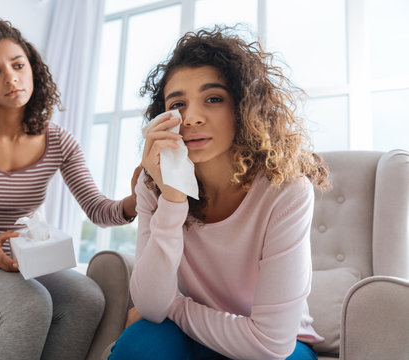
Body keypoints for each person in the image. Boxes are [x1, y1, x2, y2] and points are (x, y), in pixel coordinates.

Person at [0, 19, 139, 360]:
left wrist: (136, 201)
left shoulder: (60, 142)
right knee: (32, 302)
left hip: (17, 259)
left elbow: (97, 209)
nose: (11, 78)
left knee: (87, 297)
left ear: (32, 68)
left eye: (18, 65)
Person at [109, 26, 330, 360]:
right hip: (190, 334)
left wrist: (177, 307)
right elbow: (152, 307)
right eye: (178, 104)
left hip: (269, 345)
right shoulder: (154, 184)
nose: (192, 117)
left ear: (243, 107)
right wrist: (172, 200)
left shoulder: (286, 191)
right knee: (139, 343)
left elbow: (271, 344)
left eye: (213, 99)